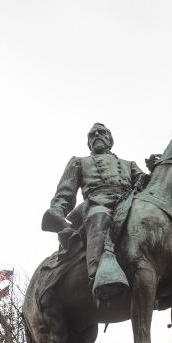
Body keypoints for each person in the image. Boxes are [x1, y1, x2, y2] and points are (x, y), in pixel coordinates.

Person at [42, 123, 147, 293]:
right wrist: (57, 211)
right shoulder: (79, 162)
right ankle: (99, 276)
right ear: (89, 143)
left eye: (102, 132)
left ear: (109, 140)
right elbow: (65, 192)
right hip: (97, 203)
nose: (97, 135)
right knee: (99, 217)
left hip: (129, 202)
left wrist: (157, 171)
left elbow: (147, 185)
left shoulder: (129, 164)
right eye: (92, 134)